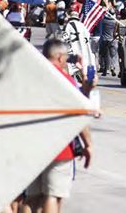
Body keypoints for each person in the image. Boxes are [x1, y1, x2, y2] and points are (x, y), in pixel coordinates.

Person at [25, 38, 92, 213]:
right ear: (60, 57)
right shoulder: (64, 80)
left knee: (30, 198)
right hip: (59, 147)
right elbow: (77, 113)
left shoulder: (31, 77)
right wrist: (88, 144)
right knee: (52, 195)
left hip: (31, 145)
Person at [99, 8, 119, 77]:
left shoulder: (103, 21)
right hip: (112, 40)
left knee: (104, 55)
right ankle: (112, 68)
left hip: (104, 39)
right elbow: (115, 32)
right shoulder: (115, 22)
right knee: (113, 55)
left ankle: (105, 69)